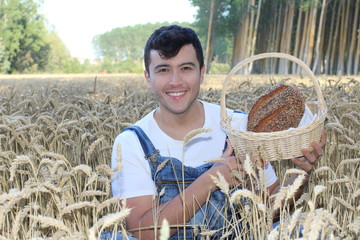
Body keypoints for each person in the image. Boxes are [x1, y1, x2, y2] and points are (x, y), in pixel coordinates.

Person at [104, 25, 326, 240]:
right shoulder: (133, 142)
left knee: (313, 224)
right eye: (163, 70)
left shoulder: (238, 126)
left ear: (202, 73)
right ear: (148, 78)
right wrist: (212, 178)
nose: (175, 81)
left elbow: (271, 212)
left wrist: (300, 173)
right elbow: (144, 233)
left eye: (186, 68)